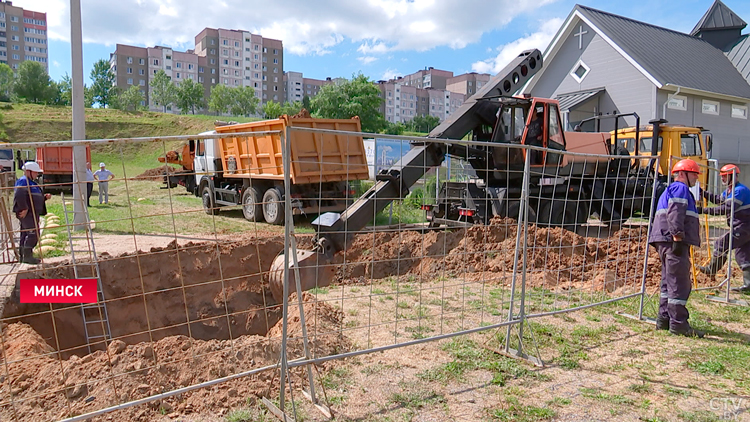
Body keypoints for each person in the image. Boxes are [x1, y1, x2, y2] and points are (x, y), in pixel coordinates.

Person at [648, 159, 704, 337]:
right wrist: (678, 238)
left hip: (664, 240)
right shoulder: (680, 188)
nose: (696, 177)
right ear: (682, 174)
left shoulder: (673, 189)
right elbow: (676, 213)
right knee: (679, 282)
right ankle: (679, 324)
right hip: (672, 241)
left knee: (668, 281)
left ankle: (664, 319)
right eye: (693, 173)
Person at [697, 164, 750, 293]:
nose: (723, 179)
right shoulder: (729, 190)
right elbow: (718, 200)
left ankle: (712, 270)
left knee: (722, 243)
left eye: (725, 176)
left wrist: (703, 210)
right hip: (742, 226)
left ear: (733, 176)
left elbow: (725, 208)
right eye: (722, 176)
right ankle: (748, 286)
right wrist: (703, 193)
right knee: (743, 255)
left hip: (744, 226)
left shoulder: (739, 191)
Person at [13, 161, 51, 264]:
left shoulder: (31, 182)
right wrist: (24, 208)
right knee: (33, 233)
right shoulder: (23, 181)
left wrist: (43, 198)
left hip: (32, 212)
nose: (37, 174)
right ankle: (27, 256)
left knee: (26, 233)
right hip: (28, 213)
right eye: (35, 172)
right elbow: (19, 195)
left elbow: (31, 197)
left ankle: (23, 255)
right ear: (28, 171)